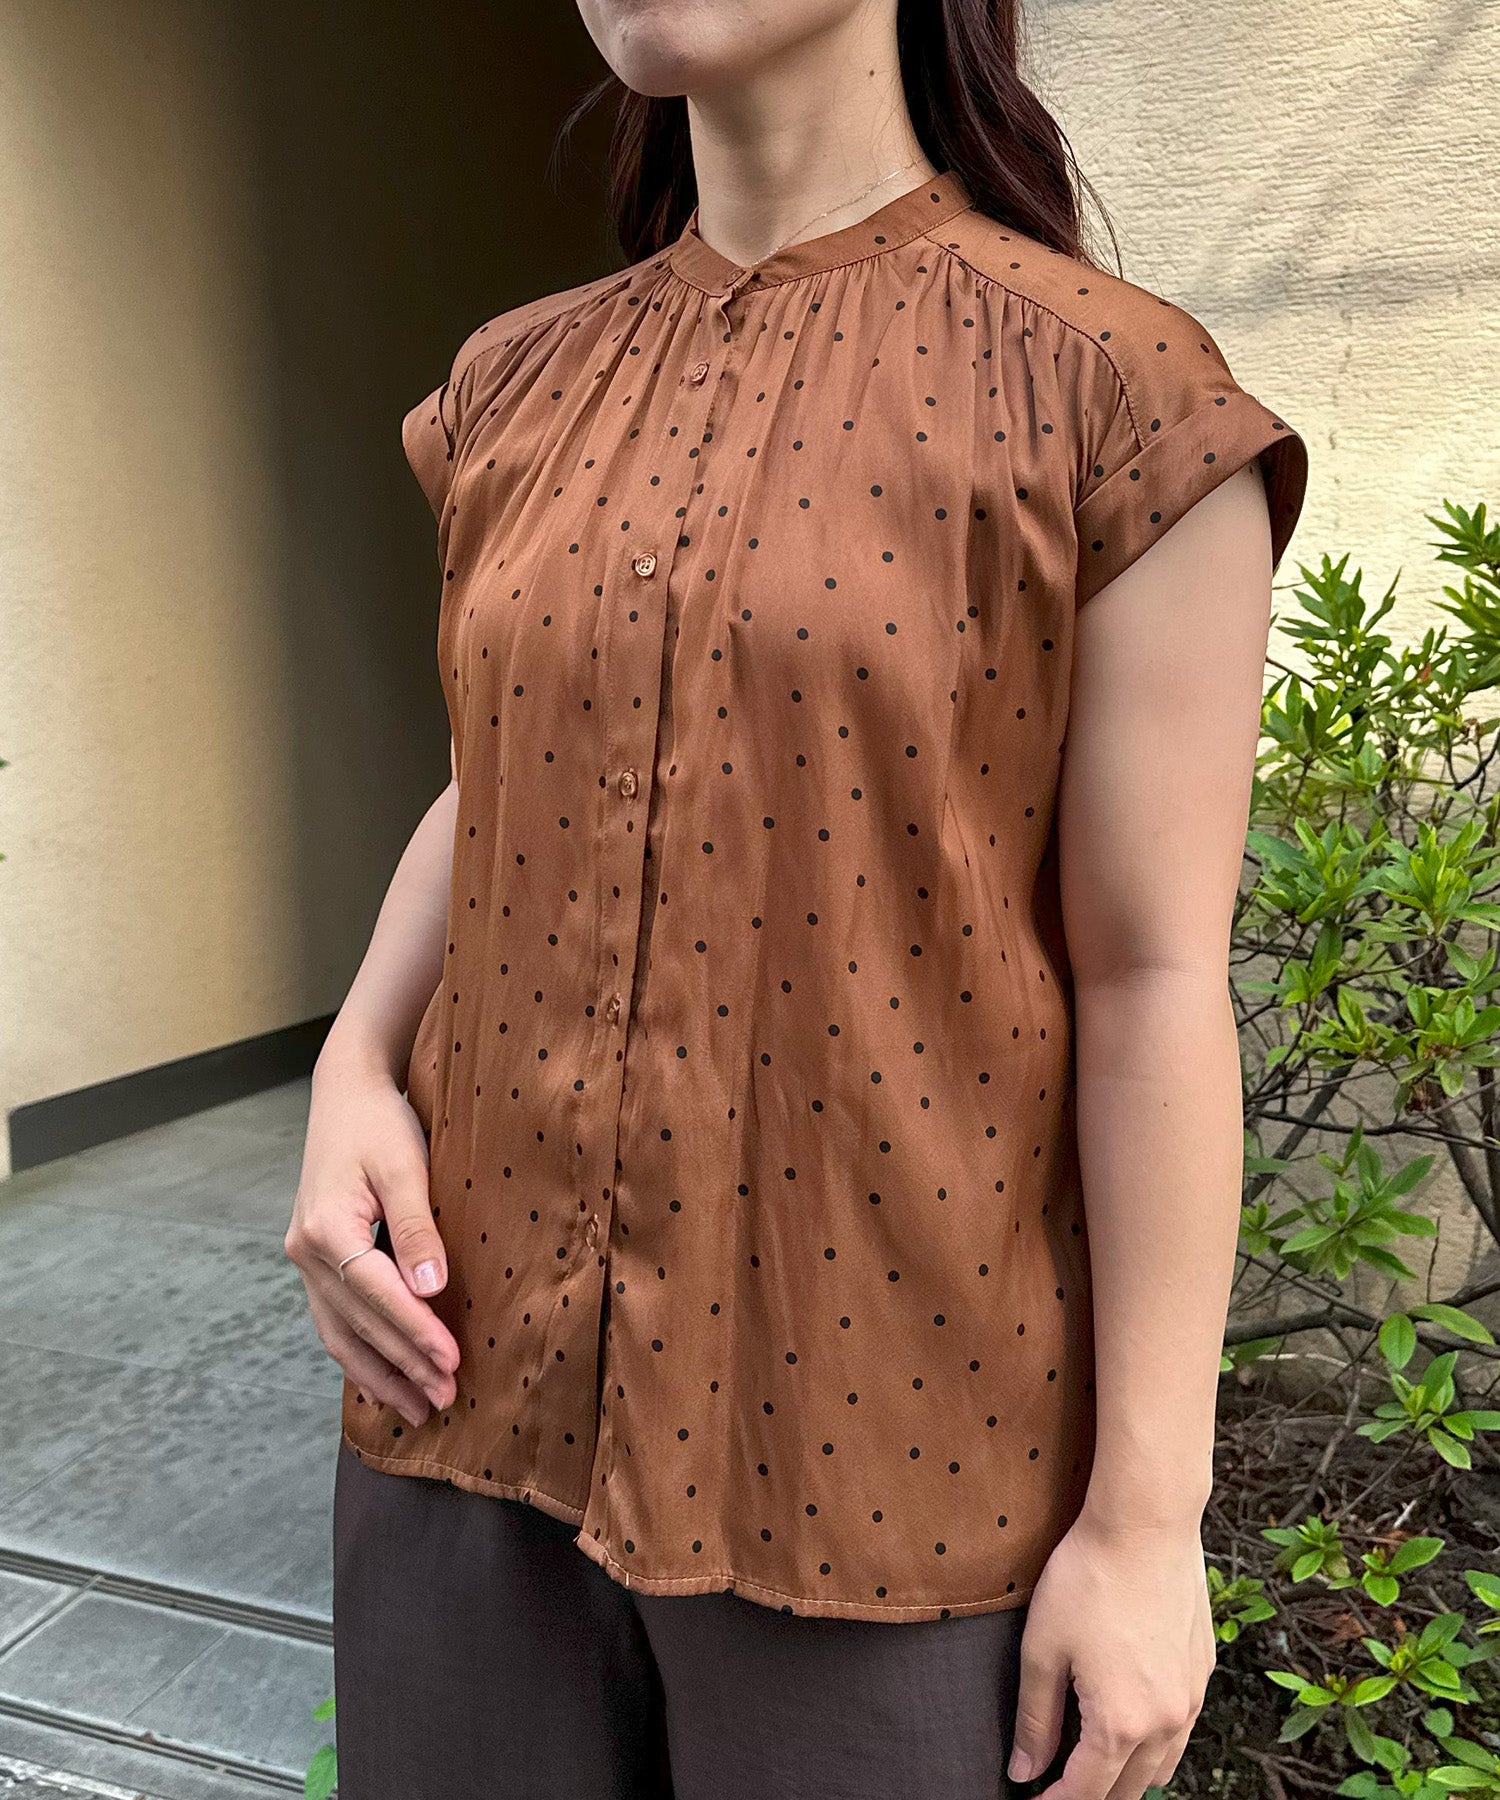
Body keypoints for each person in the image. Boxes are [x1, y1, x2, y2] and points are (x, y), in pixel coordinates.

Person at [284, 1, 1310, 1795]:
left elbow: (1153, 977)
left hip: (891, 1475)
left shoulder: (1112, 396)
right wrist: (353, 1064)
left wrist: (1149, 1523)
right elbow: (495, 776)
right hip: (462, 1404)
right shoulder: (515, 384)